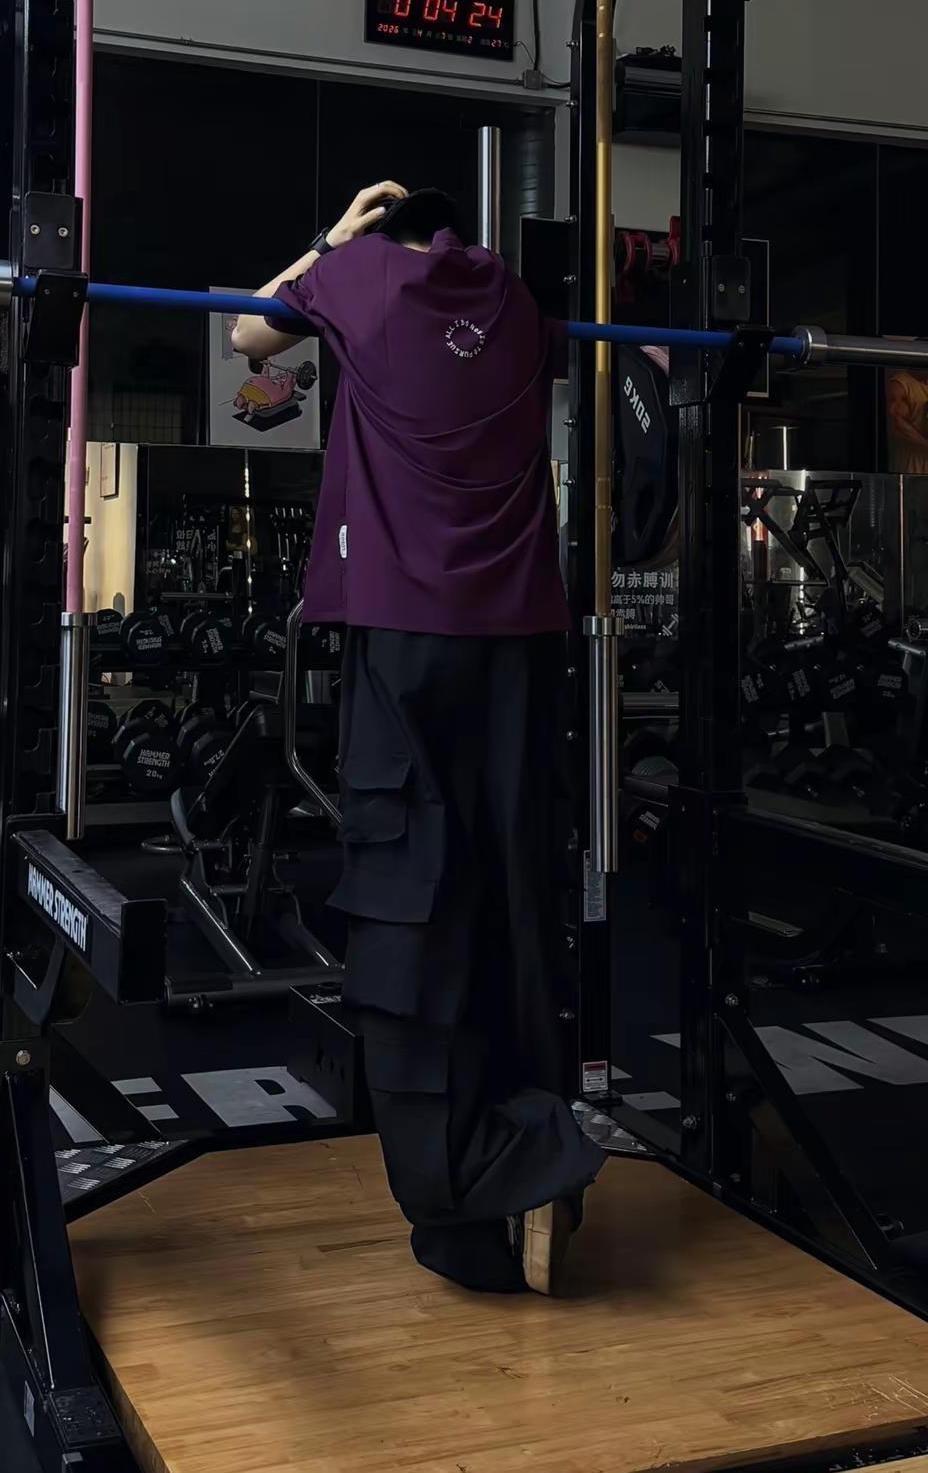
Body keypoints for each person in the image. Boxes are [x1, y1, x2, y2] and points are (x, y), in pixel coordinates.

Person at [232, 180, 603, 1295]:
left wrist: (330, 236)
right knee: (517, 893)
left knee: (413, 903)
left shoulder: (360, 280)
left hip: (405, 630)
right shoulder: (520, 304)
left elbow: (250, 334)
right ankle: (539, 1156)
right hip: (521, 640)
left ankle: (458, 1202)